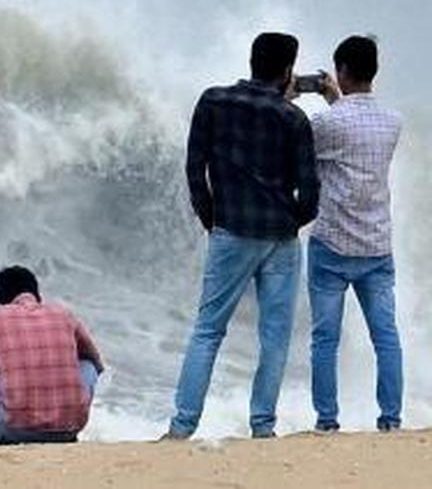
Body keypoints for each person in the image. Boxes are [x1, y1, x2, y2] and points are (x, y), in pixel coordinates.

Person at [164, 32, 320, 440]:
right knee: (274, 336)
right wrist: (294, 221)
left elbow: (194, 167)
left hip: (231, 229)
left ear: (251, 61)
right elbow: (311, 190)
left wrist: (211, 217)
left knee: (209, 329)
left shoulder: (213, 101)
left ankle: (182, 427)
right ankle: (262, 426)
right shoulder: (292, 118)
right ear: (288, 71)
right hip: (280, 237)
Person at [307, 35, 403, 433]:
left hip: (331, 245)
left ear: (341, 71)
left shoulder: (326, 121)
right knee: (386, 337)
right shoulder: (393, 122)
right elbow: (356, 136)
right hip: (377, 247)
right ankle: (391, 419)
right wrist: (339, 99)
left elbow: (318, 145)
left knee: (324, 340)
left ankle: (327, 421)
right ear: (374, 72)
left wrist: (325, 98)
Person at [0, 266, 104, 445]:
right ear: (35, 291)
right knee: (87, 365)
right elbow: (95, 361)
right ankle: (67, 417)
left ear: (0, 297)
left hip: (17, 429)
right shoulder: (64, 314)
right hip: (70, 428)